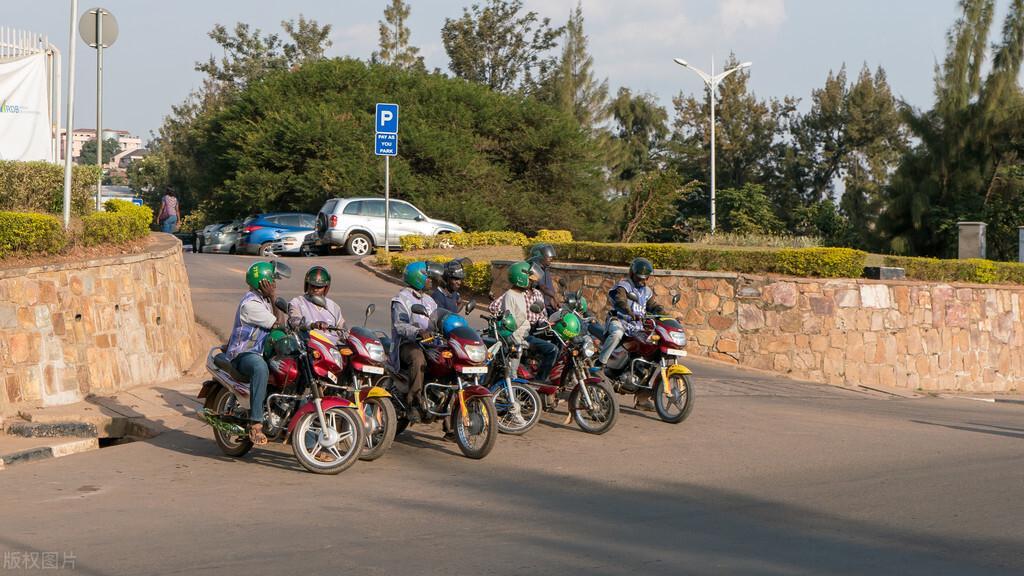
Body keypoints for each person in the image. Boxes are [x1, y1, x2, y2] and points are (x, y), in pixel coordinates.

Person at [224, 262, 288, 445]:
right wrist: (274, 296)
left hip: (260, 352)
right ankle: (256, 423)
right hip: (243, 354)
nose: (274, 284)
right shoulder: (251, 304)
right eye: (271, 281)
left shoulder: (264, 301)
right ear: (264, 282)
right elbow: (278, 324)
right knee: (260, 368)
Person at [593, 257, 666, 410]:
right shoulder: (624, 285)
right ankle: (601, 364)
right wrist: (628, 311)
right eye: (639, 276)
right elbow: (620, 300)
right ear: (633, 274)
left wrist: (665, 315)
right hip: (619, 320)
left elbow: (653, 306)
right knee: (617, 333)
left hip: (637, 327)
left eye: (645, 277)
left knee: (653, 352)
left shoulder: (646, 291)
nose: (642, 279)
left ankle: (642, 398)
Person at [488, 261, 558, 384]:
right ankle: (511, 392)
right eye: (530, 280)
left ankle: (539, 381)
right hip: (516, 339)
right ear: (521, 279)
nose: (532, 282)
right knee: (512, 373)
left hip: (525, 335)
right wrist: (515, 342)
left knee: (552, 348)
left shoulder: (521, 294)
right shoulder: (510, 295)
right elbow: (509, 322)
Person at [390, 261, 438, 422]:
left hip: (430, 343)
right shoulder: (401, 299)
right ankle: (414, 401)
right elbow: (400, 325)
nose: (431, 280)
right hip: (407, 344)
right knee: (418, 358)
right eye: (428, 277)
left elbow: (439, 319)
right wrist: (418, 332)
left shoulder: (430, 301)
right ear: (418, 278)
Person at [288, 266, 344, 337]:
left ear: (326, 287)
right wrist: (312, 325)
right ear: (307, 284)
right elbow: (294, 321)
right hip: (308, 344)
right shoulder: (297, 302)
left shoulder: (333, 307)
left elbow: (343, 329)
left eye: (319, 287)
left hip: (332, 345)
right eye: (312, 286)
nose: (315, 289)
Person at [528, 243, 560, 315]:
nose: (551, 258)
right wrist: (554, 297)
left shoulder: (545, 269)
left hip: (548, 305)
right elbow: (543, 287)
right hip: (538, 307)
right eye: (548, 256)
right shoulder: (535, 270)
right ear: (539, 257)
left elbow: (549, 288)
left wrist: (553, 300)